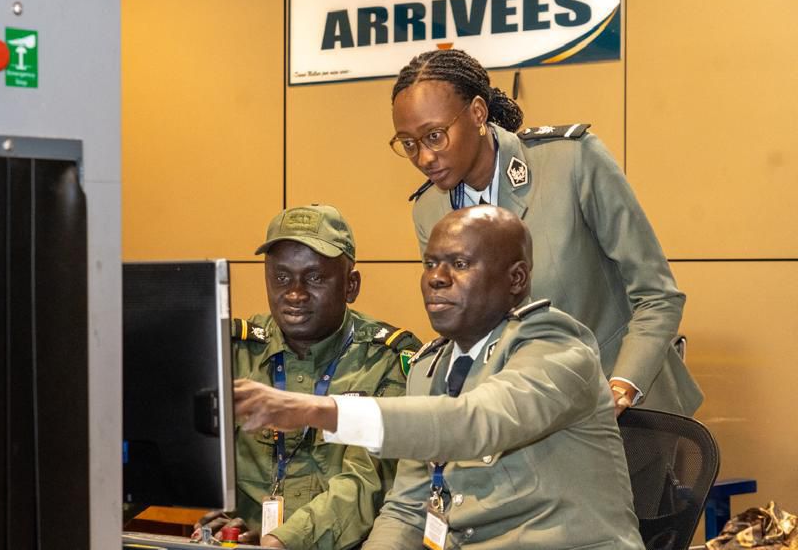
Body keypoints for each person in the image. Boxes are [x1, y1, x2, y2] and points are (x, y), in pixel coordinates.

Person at [234, 206, 645, 549]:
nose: (437, 277)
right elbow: (407, 509)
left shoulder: (556, 346)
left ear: (516, 279)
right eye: (430, 264)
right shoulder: (430, 367)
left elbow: (478, 420)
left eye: (460, 264)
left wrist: (318, 410)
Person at [388, 48, 701, 417]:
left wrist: (620, 388)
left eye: (435, 136)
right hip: (526, 419)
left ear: (477, 113)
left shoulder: (572, 162)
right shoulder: (430, 210)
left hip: (631, 412)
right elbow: (466, 327)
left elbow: (658, 297)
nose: (424, 158)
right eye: (409, 144)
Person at [196, 204, 422, 549]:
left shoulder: (387, 360)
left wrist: (281, 541)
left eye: (315, 278)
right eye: (281, 278)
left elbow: (368, 478)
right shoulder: (232, 351)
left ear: (351, 285)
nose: (295, 294)